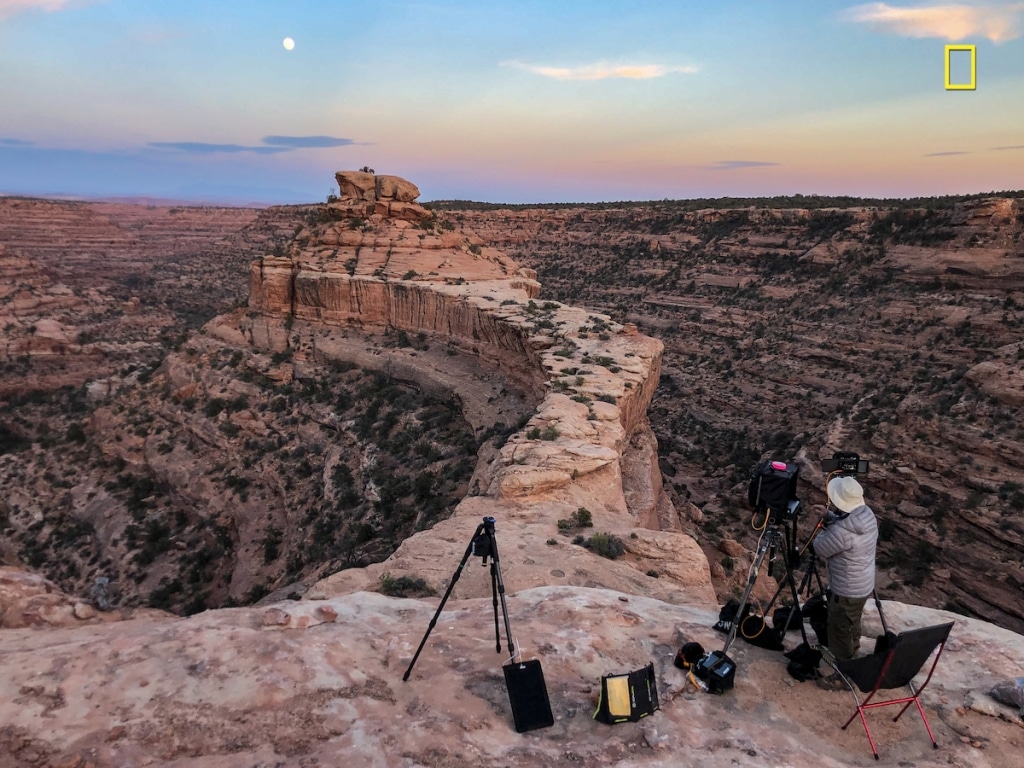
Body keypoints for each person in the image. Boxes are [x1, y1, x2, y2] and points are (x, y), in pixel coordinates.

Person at [811, 475, 878, 676]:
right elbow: (847, 524)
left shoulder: (840, 532)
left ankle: (843, 674)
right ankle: (853, 649)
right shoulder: (867, 515)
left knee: (839, 628)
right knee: (852, 622)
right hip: (863, 585)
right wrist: (831, 517)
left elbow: (819, 547)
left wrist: (824, 524)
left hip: (846, 590)